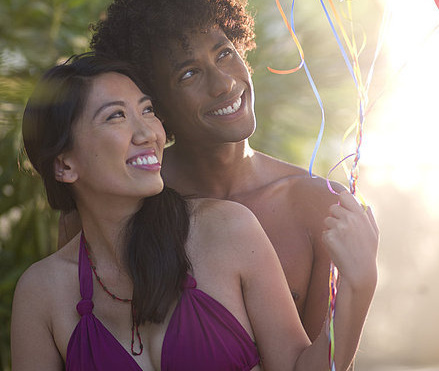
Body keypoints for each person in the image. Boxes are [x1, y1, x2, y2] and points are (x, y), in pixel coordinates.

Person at [12, 53, 378, 371]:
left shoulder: (227, 230)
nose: (148, 133)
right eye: (116, 117)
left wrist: (359, 286)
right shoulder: (42, 291)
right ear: (64, 165)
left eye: (147, 110)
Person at [61, 0, 368, 339]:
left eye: (224, 53)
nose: (224, 84)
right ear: (154, 102)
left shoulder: (320, 207)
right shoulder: (114, 204)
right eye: (188, 74)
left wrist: (361, 283)